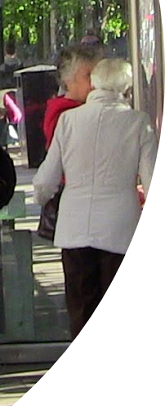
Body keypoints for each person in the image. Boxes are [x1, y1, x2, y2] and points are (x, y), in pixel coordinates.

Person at [33, 58, 157, 339]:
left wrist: (41, 197)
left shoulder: (68, 120)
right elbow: (151, 182)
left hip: (74, 228)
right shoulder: (138, 123)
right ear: (126, 87)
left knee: (80, 310)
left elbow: (46, 179)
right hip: (120, 228)